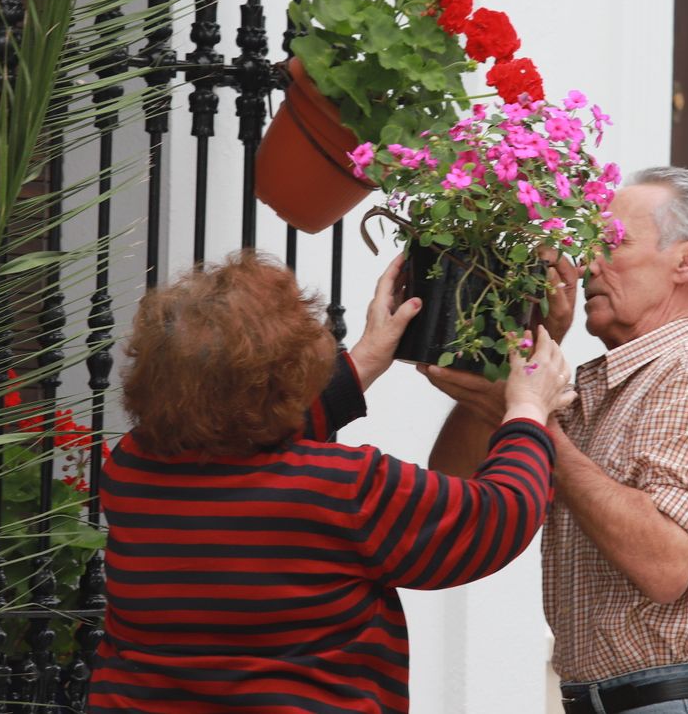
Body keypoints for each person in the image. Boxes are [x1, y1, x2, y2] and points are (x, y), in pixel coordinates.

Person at [87, 250, 576, 714]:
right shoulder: (338, 489)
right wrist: (528, 409)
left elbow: (243, 440)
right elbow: (493, 517)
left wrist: (366, 358)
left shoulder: (131, 470)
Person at [424, 167, 688, 714]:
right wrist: (524, 353)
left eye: (613, 243)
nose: (587, 263)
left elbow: (664, 567)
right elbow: (451, 489)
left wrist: (532, 418)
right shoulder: (600, 383)